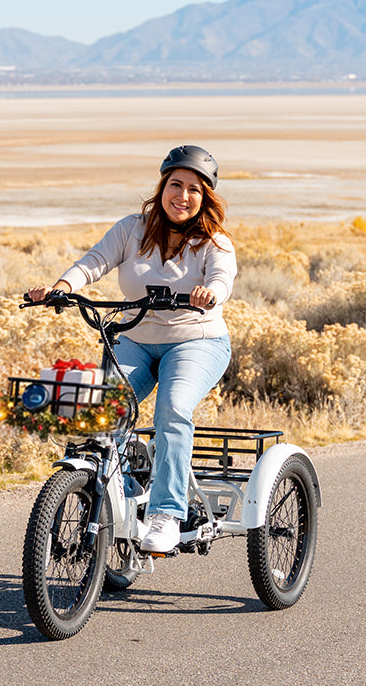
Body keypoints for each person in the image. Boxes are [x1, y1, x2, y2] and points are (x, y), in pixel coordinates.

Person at [24, 145, 236, 553]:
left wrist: (211, 292)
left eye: (194, 189)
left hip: (197, 341)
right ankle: (116, 496)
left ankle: (166, 513)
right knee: (100, 406)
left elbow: (222, 278)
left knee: (172, 407)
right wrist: (61, 288)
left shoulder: (216, 242)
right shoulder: (131, 229)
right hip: (137, 339)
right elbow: (94, 262)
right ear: (162, 187)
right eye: (176, 185)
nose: (183, 196)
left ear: (205, 197)